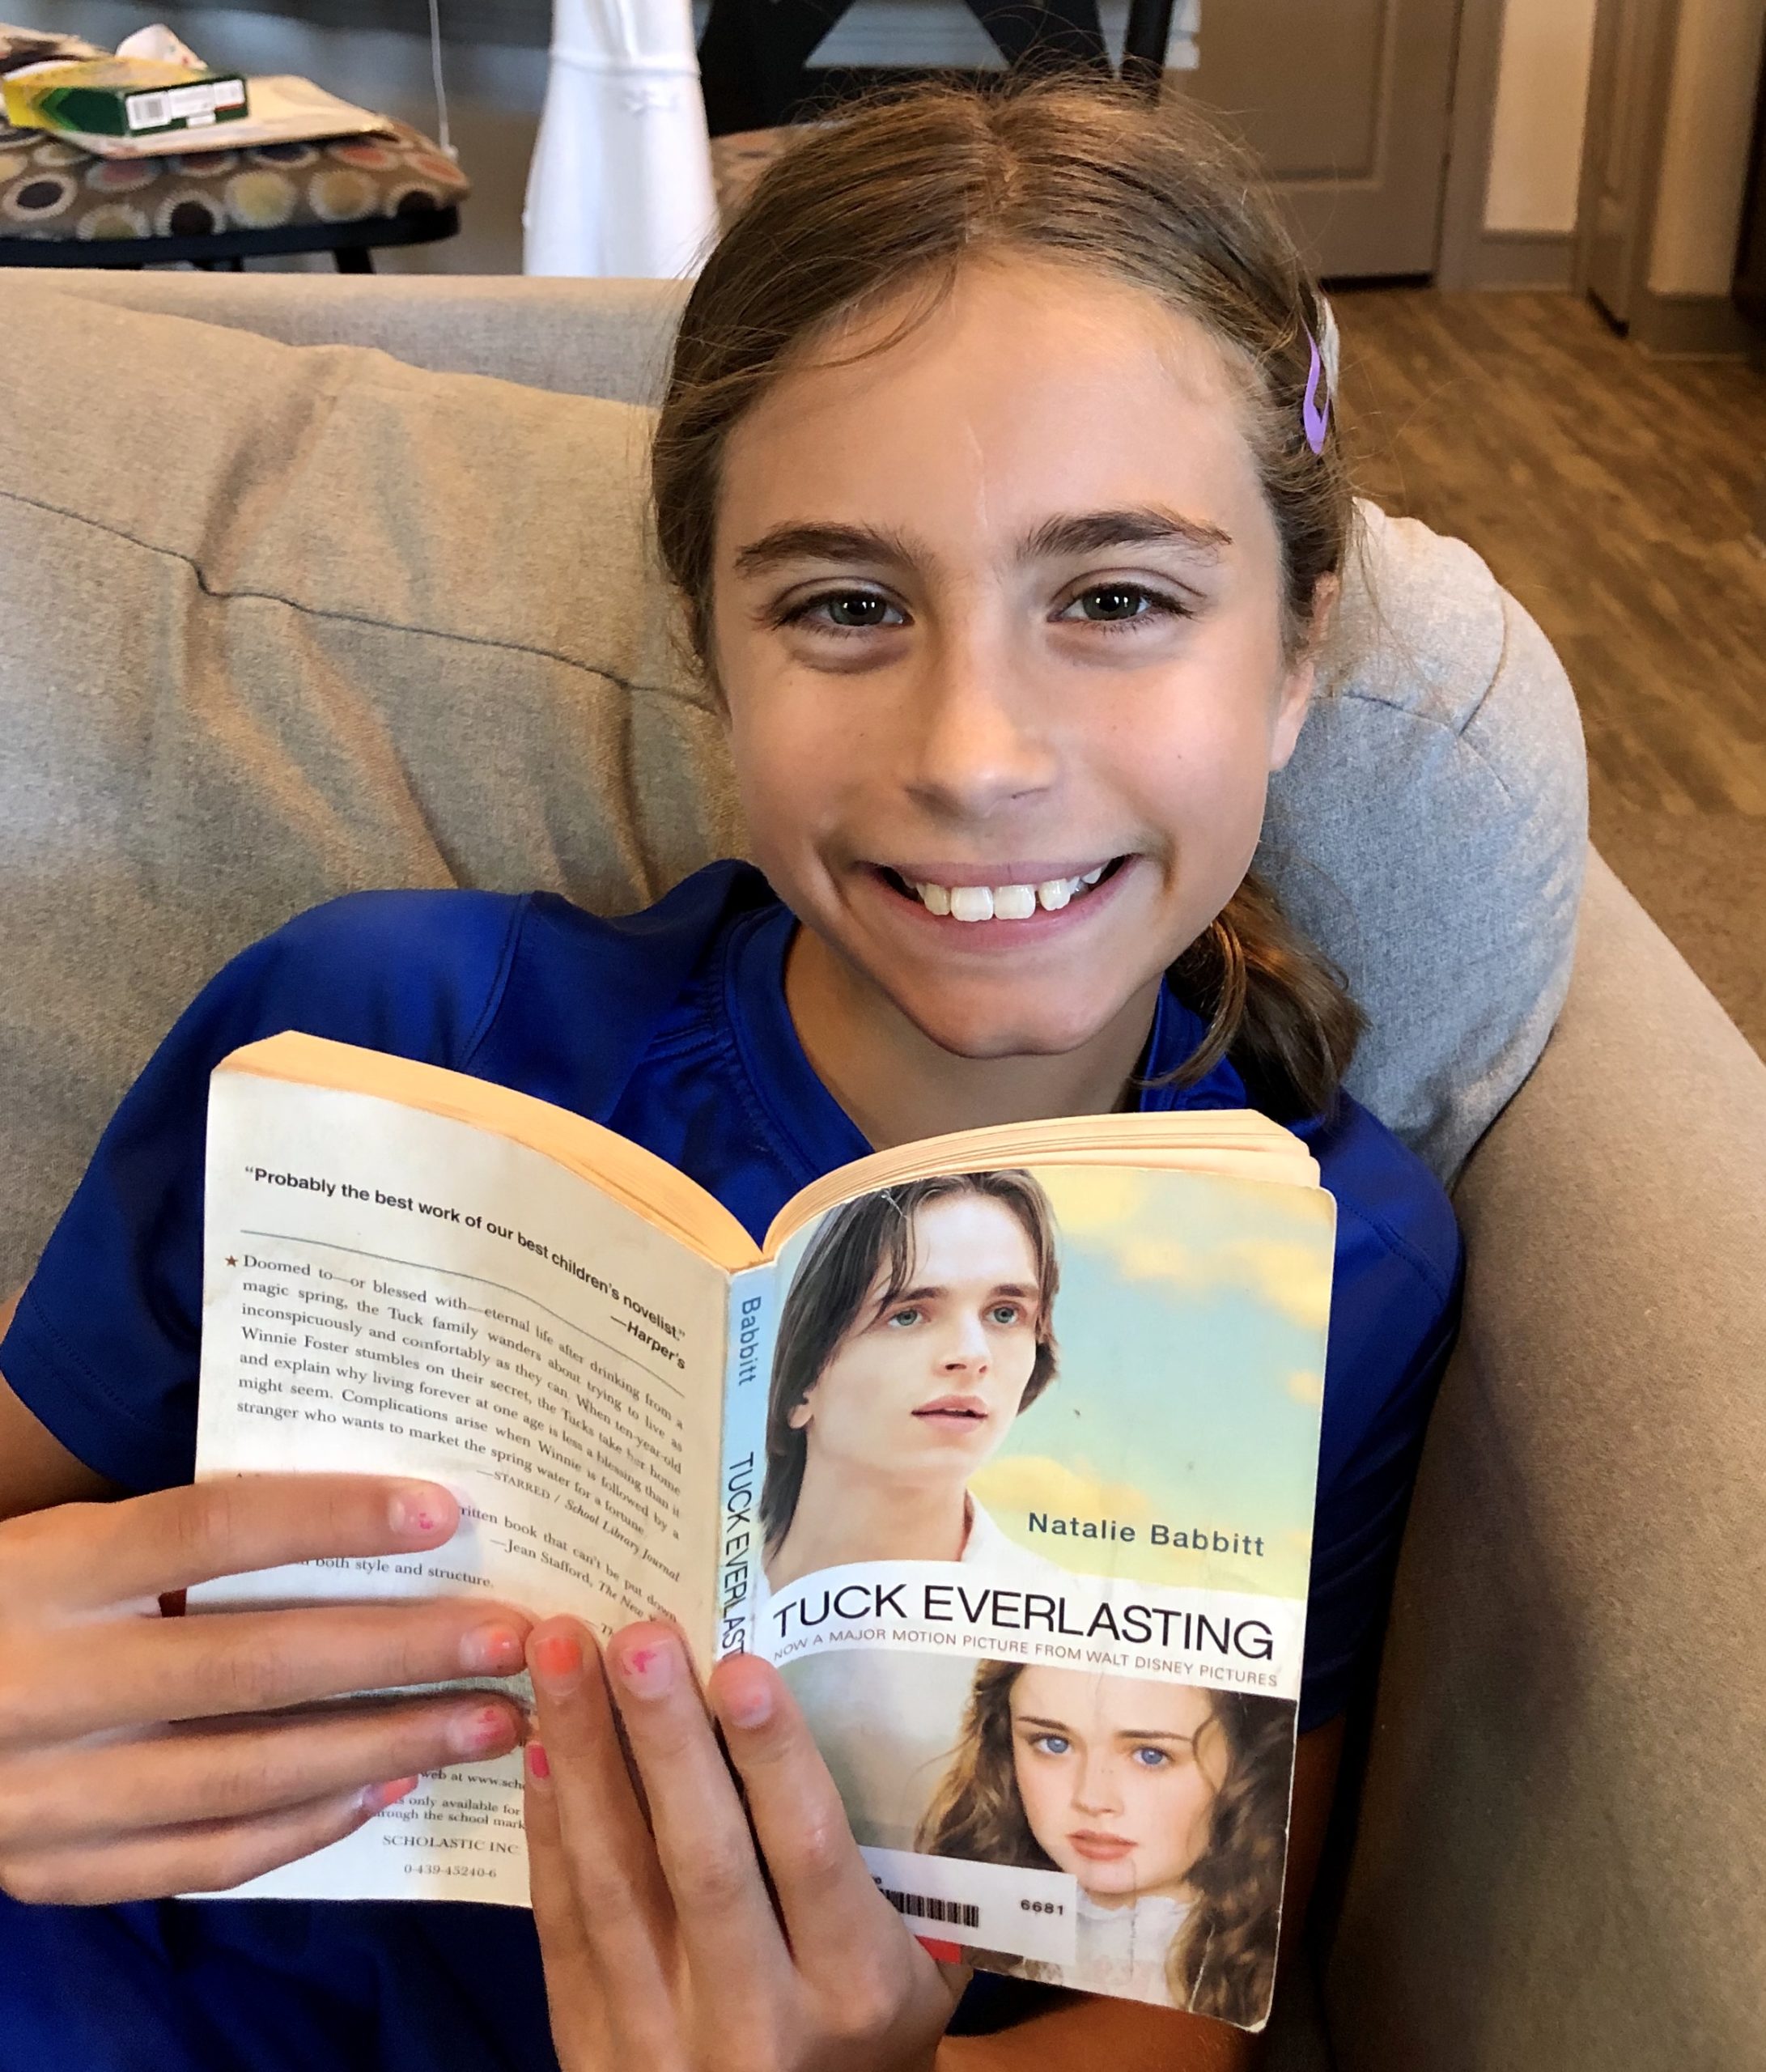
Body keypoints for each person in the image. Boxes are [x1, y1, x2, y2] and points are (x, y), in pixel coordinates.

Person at [0, 74, 1462, 2072]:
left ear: (1293, 648)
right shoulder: (383, 1026)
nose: (972, 752)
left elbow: (1170, 1998)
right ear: (708, 648)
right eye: (846, 605)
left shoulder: (1334, 1261)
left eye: (1115, 598)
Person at [919, 1661, 1294, 2026]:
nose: (1092, 1798)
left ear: (1243, 1767)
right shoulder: (962, 1923)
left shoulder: (1260, 1959)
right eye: (1054, 1744)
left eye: (1151, 1755)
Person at [760, 1170, 1059, 1594]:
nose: (973, 1356)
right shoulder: (697, 1590)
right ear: (802, 1382)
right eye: (908, 1315)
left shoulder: (1081, 1636)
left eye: (1004, 1313)